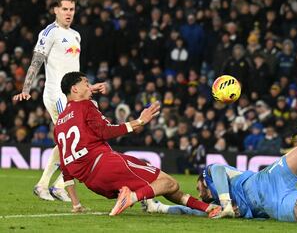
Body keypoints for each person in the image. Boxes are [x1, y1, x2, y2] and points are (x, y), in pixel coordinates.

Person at [142, 116, 297, 222]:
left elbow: (218, 169)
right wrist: (159, 207)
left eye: (198, 188)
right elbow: (188, 211)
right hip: (274, 203)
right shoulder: (212, 206)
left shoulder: (212, 177)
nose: (199, 192)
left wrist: (226, 202)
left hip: (268, 178)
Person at [54, 72, 220, 216]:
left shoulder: (60, 123)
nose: (90, 87)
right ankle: (131, 197)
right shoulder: (86, 105)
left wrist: (76, 204)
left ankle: (207, 208)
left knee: (161, 185)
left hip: (94, 184)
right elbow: (105, 131)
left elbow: (65, 167)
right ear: (75, 89)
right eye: (87, 83)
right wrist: (140, 121)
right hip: (105, 164)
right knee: (171, 183)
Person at [13, 0, 107, 201]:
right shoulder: (49, 33)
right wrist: (26, 88)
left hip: (73, 95)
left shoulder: (76, 35)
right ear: (55, 10)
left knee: (70, 140)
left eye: (71, 9)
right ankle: (55, 185)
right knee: (75, 136)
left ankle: (50, 185)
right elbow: (36, 61)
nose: (68, 13)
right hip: (57, 93)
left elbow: (74, 70)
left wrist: (89, 88)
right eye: (64, 9)